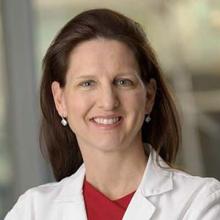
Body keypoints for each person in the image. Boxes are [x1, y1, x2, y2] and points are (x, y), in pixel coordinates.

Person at [5, 8, 220, 220]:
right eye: (87, 83)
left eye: (123, 82)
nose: (108, 101)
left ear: (149, 96)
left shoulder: (201, 202)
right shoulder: (33, 210)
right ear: (60, 100)